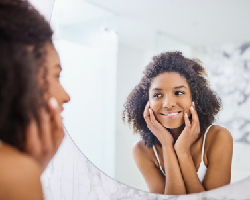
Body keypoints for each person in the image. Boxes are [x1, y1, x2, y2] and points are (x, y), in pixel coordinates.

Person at [123, 52, 233, 195]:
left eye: (179, 93)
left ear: (195, 97)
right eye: (157, 95)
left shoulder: (218, 137)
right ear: (146, 103)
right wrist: (168, 146)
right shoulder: (142, 150)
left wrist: (182, 152)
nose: (168, 104)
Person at [0, 0, 70, 199]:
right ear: (19, 76)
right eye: (56, 76)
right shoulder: (14, 174)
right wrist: (27, 172)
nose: (66, 96)